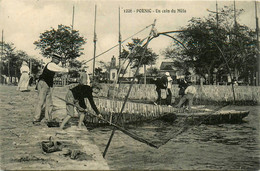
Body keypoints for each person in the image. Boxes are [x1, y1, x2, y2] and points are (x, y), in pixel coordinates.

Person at [33, 53, 69, 124]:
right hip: (44, 83)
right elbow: (60, 70)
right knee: (41, 101)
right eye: (57, 59)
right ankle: (36, 119)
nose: (58, 61)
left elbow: (59, 71)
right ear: (53, 59)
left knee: (49, 102)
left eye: (59, 60)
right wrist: (67, 70)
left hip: (48, 84)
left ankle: (48, 119)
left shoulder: (53, 66)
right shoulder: (51, 64)